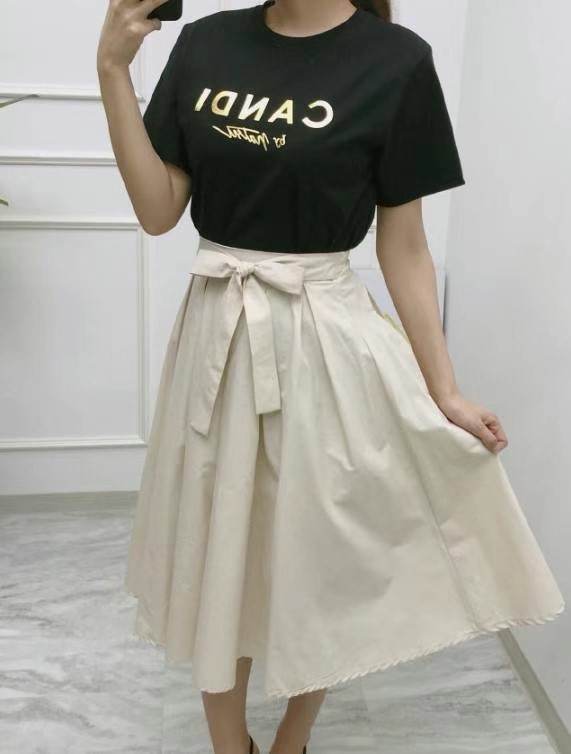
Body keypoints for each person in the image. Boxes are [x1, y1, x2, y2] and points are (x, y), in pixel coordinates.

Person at [97, 1, 565, 753]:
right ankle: (228, 743)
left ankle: (294, 735)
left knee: (315, 549)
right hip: (218, 333)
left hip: (322, 332)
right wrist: (113, 70)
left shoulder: (395, 62)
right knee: (218, 542)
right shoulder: (206, 43)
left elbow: (403, 246)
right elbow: (158, 211)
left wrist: (443, 390)